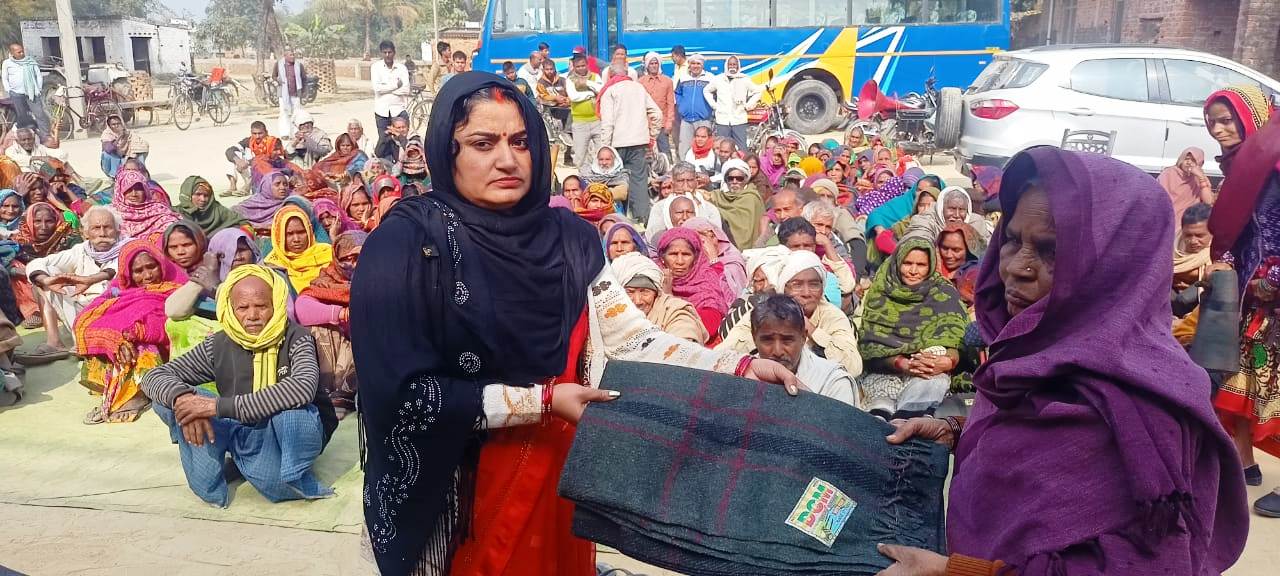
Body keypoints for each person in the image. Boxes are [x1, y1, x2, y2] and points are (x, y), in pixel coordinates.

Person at [351, 73, 800, 575]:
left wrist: (738, 368)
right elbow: (401, 393)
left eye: (521, 142)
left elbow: (631, 340)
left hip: (553, 477)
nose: (508, 160)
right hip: (452, 496)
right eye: (483, 143)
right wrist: (540, 402)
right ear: (445, 150)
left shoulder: (569, 240)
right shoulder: (407, 246)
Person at [880, 145, 1249, 574]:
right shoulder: (1029, 361)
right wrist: (959, 431)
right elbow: (1031, 445)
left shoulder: (1146, 416)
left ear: (1116, 266)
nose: (1016, 268)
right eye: (1012, 240)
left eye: (1051, 250)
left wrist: (955, 571)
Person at [142, 264, 336, 508]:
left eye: (261, 306)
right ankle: (238, 458)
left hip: (281, 433)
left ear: (276, 304)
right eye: (243, 308)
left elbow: (301, 387)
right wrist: (184, 401)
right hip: (240, 426)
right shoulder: (220, 344)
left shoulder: (297, 338)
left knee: (292, 415)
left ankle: (292, 474)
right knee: (169, 399)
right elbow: (154, 376)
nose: (252, 315)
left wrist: (217, 407)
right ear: (230, 308)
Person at [1202, 85, 1280, 515]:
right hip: (1251, 293)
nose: (1218, 130)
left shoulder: (1275, 165)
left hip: (1274, 293)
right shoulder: (1244, 166)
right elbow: (1240, 233)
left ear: (1251, 118)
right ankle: (1243, 464)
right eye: (1211, 122)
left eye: (1226, 120)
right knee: (1244, 377)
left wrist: (1275, 279)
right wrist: (1226, 262)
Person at [73, 239, 185, 424]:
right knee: (111, 336)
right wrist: (116, 339)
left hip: (166, 352)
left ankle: (139, 394)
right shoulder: (118, 290)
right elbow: (85, 320)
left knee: (142, 346)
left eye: (152, 267)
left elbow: (167, 324)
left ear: (161, 264)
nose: (148, 275)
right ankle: (117, 388)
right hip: (124, 348)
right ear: (128, 273)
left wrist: (134, 333)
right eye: (138, 271)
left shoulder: (176, 286)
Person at [858, 236, 966, 419]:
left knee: (936, 359)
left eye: (921, 265)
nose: (913, 271)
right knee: (879, 412)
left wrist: (947, 361)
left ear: (930, 266)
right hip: (884, 375)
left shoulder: (944, 293)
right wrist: (902, 363)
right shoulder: (881, 292)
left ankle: (910, 418)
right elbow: (870, 348)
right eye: (907, 263)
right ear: (897, 263)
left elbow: (956, 340)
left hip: (929, 373)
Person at [719, 249, 862, 378]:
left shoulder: (832, 315)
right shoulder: (764, 312)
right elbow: (721, 356)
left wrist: (811, 330)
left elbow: (853, 367)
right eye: (797, 285)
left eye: (814, 284)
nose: (806, 293)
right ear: (784, 287)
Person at [296, 230, 365, 419]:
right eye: (347, 258)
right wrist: (341, 313)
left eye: (358, 257)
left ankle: (347, 393)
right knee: (319, 328)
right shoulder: (327, 281)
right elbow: (302, 306)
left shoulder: (378, 280)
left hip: (365, 349)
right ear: (336, 258)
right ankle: (327, 392)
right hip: (336, 351)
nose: (353, 264)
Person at [750, 294, 858, 406]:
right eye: (767, 340)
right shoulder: (742, 374)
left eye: (787, 340)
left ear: (803, 337)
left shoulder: (832, 382)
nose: (777, 351)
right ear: (754, 338)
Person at [598, 69, 663, 220]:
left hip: (617, 144)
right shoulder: (639, 88)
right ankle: (642, 219)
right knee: (639, 183)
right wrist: (652, 136)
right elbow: (657, 114)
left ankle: (615, 218)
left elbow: (607, 123)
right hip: (639, 143)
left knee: (613, 181)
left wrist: (605, 148)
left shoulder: (610, 91)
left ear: (610, 75)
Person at [610, 251, 708, 344]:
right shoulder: (609, 313)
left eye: (645, 292)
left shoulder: (674, 313)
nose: (638, 301)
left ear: (656, 293)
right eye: (629, 292)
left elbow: (683, 346)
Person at [263, 205, 334, 292]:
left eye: (301, 232)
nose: (296, 239)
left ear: (309, 231)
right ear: (279, 236)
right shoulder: (272, 266)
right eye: (289, 234)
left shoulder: (327, 253)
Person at [704, 56, 761, 152]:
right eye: (730, 64)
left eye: (734, 64)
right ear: (726, 66)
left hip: (739, 120)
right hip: (722, 121)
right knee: (722, 148)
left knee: (742, 149)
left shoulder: (744, 79)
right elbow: (706, 90)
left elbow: (758, 92)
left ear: (738, 66)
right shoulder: (719, 79)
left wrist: (748, 105)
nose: (732, 67)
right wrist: (714, 105)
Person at [683, 216, 748, 297]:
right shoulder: (682, 264)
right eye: (703, 241)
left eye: (712, 236)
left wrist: (713, 260)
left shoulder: (732, 261)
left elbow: (729, 297)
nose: (710, 243)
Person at [711, 158, 765, 250]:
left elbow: (740, 223)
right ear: (726, 180)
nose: (734, 182)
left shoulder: (751, 197)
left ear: (746, 180)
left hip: (747, 248)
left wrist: (716, 211)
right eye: (730, 179)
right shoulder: (718, 196)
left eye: (739, 179)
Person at [111, 169, 178, 241]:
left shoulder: (160, 211)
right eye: (128, 189)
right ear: (120, 192)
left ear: (146, 190)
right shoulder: (111, 214)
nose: (134, 194)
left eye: (138, 189)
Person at [2, 42, 50, 137]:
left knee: (40, 114)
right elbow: (4, 78)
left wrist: (38, 88)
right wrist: (9, 90)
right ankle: (26, 137)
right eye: (19, 52)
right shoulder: (7, 63)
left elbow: (38, 75)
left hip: (32, 93)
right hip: (16, 94)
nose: (22, 53)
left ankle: (45, 136)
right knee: (22, 116)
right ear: (12, 53)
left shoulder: (30, 61)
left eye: (22, 51)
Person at [1158, 146, 1216, 225]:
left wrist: (1201, 178)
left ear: (1199, 163)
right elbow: (1158, 196)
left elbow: (1208, 202)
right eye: (1186, 159)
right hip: (1165, 217)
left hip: (1186, 223)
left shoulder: (1198, 178)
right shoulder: (1169, 173)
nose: (1189, 162)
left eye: (1193, 160)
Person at [566, 53, 603, 170]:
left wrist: (587, 83)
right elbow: (574, 97)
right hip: (580, 122)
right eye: (578, 66)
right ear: (574, 67)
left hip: (597, 120)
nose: (581, 68)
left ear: (587, 65)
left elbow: (601, 90)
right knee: (580, 156)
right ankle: (583, 178)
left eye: (583, 65)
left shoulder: (595, 77)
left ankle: (602, 175)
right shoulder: (570, 80)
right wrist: (590, 93)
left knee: (602, 152)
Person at [177, 176, 247, 237]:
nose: (203, 199)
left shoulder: (217, 210)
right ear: (188, 195)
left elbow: (242, 222)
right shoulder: (176, 215)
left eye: (206, 195)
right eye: (198, 194)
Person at [223, 121, 281, 196]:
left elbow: (268, 159)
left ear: (266, 132)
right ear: (251, 133)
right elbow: (229, 150)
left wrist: (247, 162)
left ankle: (247, 187)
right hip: (248, 170)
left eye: (260, 133)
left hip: (265, 174)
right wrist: (238, 161)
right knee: (233, 155)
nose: (257, 136)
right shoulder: (248, 141)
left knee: (260, 164)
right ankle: (233, 186)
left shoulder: (272, 142)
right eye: (254, 134)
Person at [674, 54, 713, 159]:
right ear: (689, 65)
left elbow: (716, 94)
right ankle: (684, 166)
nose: (695, 66)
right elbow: (677, 93)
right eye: (693, 63)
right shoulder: (683, 78)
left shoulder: (710, 78)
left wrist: (710, 108)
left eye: (698, 63)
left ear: (702, 65)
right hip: (686, 120)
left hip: (703, 119)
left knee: (704, 146)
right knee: (684, 146)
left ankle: (703, 166)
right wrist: (682, 106)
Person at [371, 40, 412, 138]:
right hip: (382, 112)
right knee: (384, 141)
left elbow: (406, 89)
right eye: (385, 52)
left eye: (390, 52)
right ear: (381, 53)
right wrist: (396, 85)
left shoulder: (402, 68)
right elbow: (377, 89)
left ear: (394, 52)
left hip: (399, 110)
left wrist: (386, 88)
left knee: (402, 140)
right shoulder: (376, 67)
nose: (387, 55)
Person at [638, 52, 675, 156]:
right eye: (651, 63)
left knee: (665, 151)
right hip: (646, 124)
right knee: (646, 152)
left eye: (656, 63)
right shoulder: (640, 82)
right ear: (647, 65)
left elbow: (670, 103)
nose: (654, 66)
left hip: (662, 124)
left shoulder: (667, 81)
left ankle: (668, 166)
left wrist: (669, 122)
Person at [234, 169, 290, 235]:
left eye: (285, 184)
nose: (282, 187)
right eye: (277, 184)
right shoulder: (252, 203)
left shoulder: (289, 203)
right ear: (267, 186)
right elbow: (233, 215)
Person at [99, 114, 149, 179]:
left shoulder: (128, 133)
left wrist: (133, 152)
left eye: (118, 123)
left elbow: (142, 145)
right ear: (109, 126)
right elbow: (109, 149)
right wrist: (120, 137)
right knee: (107, 154)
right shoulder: (107, 134)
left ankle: (141, 175)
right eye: (113, 124)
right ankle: (114, 176)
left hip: (126, 158)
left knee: (139, 153)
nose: (116, 126)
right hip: (112, 162)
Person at [272, 48, 307, 138]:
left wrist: (303, 92)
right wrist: (278, 80)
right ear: (285, 56)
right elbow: (274, 76)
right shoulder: (278, 64)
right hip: (283, 94)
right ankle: (285, 133)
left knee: (296, 114)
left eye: (293, 54)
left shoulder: (299, 65)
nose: (293, 56)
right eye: (290, 55)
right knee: (284, 113)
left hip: (296, 93)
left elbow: (304, 79)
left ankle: (295, 133)